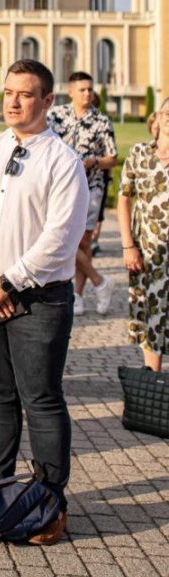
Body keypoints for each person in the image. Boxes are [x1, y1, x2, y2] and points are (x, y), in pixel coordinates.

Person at [0, 60, 89, 545]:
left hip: (40, 299)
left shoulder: (63, 161)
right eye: (7, 92)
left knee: (42, 399)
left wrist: (8, 282)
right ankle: (1, 486)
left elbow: (61, 237)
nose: (11, 102)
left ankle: (50, 502)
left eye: (24, 94)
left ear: (47, 101)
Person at [48, 71, 117, 316]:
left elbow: (113, 158)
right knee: (61, 235)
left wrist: (95, 161)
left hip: (91, 187)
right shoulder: (55, 116)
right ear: (70, 91)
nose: (87, 93)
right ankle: (100, 281)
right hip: (60, 187)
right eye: (82, 89)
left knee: (84, 241)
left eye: (90, 89)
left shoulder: (101, 121)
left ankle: (77, 295)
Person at [117, 96, 169, 372]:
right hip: (148, 253)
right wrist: (128, 246)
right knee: (151, 315)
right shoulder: (140, 153)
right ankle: (153, 383)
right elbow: (124, 199)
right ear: (158, 117)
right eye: (167, 113)